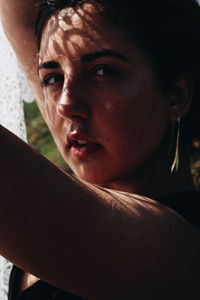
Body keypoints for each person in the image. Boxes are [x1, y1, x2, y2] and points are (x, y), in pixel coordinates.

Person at [0, 0, 200, 299]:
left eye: (103, 71)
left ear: (176, 95)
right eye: (52, 78)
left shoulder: (182, 246)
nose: (66, 104)